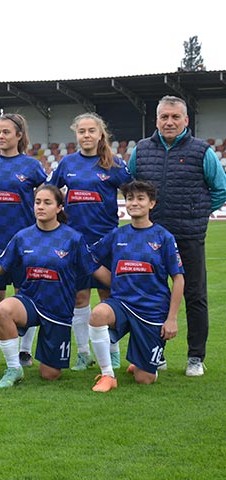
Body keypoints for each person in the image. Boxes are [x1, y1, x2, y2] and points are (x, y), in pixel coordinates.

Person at [128, 95, 226, 376]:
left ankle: (195, 357)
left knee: (195, 296)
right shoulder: (141, 150)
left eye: (175, 117)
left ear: (186, 120)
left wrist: (197, 211)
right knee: (152, 296)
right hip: (152, 238)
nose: (169, 122)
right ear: (156, 119)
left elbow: (221, 189)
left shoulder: (201, 151)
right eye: (164, 117)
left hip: (188, 235)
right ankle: (155, 354)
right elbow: (133, 186)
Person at [0, 185, 104, 387]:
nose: (41, 207)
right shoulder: (22, 237)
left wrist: (121, 286)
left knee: (50, 374)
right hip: (30, 302)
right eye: (37, 202)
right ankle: (14, 368)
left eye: (47, 202)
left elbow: (94, 268)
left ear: (59, 208)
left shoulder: (73, 238)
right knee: (3, 309)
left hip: (58, 310)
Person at [48, 112, 132, 371]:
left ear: (100, 134)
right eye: (81, 131)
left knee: (107, 297)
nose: (86, 135)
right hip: (75, 243)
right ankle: (84, 353)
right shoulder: (67, 163)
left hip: (106, 241)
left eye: (91, 131)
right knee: (79, 298)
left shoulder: (114, 163)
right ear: (76, 134)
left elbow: (132, 193)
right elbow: (50, 192)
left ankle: (112, 351)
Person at [88, 181, 184, 392]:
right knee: (98, 314)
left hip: (152, 310)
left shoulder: (164, 237)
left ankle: (142, 362)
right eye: (130, 199)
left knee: (144, 378)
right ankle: (107, 375)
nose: (134, 203)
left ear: (152, 203)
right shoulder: (117, 235)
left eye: (140, 199)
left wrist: (172, 319)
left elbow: (178, 279)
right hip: (122, 304)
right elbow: (90, 259)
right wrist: (114, 282)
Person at [0, 113, 46, 368]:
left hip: (26, 243)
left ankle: (25, 351)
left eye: (6, 132)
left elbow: (46, 193)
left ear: (19, 135)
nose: (1, 136)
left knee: (24, 297)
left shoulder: (32, 165)